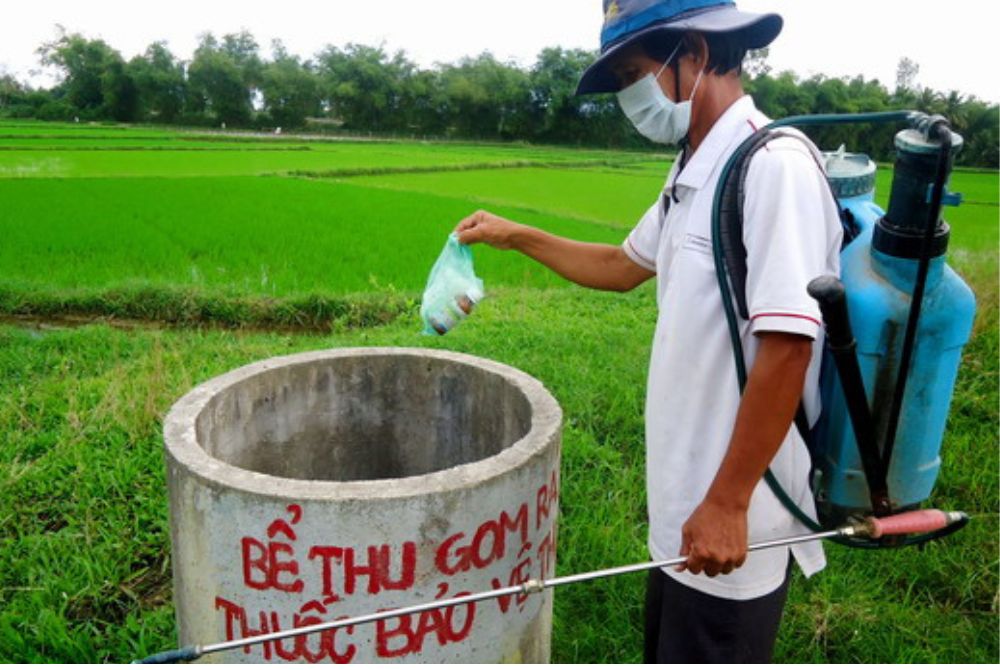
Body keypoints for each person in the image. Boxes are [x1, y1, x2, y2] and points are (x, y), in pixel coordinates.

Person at [454, 0, 843, 663]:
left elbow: (787, 344)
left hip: (737, 512)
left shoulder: (774, 167)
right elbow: (621, 266)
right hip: (686, 508)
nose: (630, 96)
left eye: (635, 72)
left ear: (692, 51)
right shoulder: (695, 171)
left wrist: (727, 502)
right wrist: (513, 236)